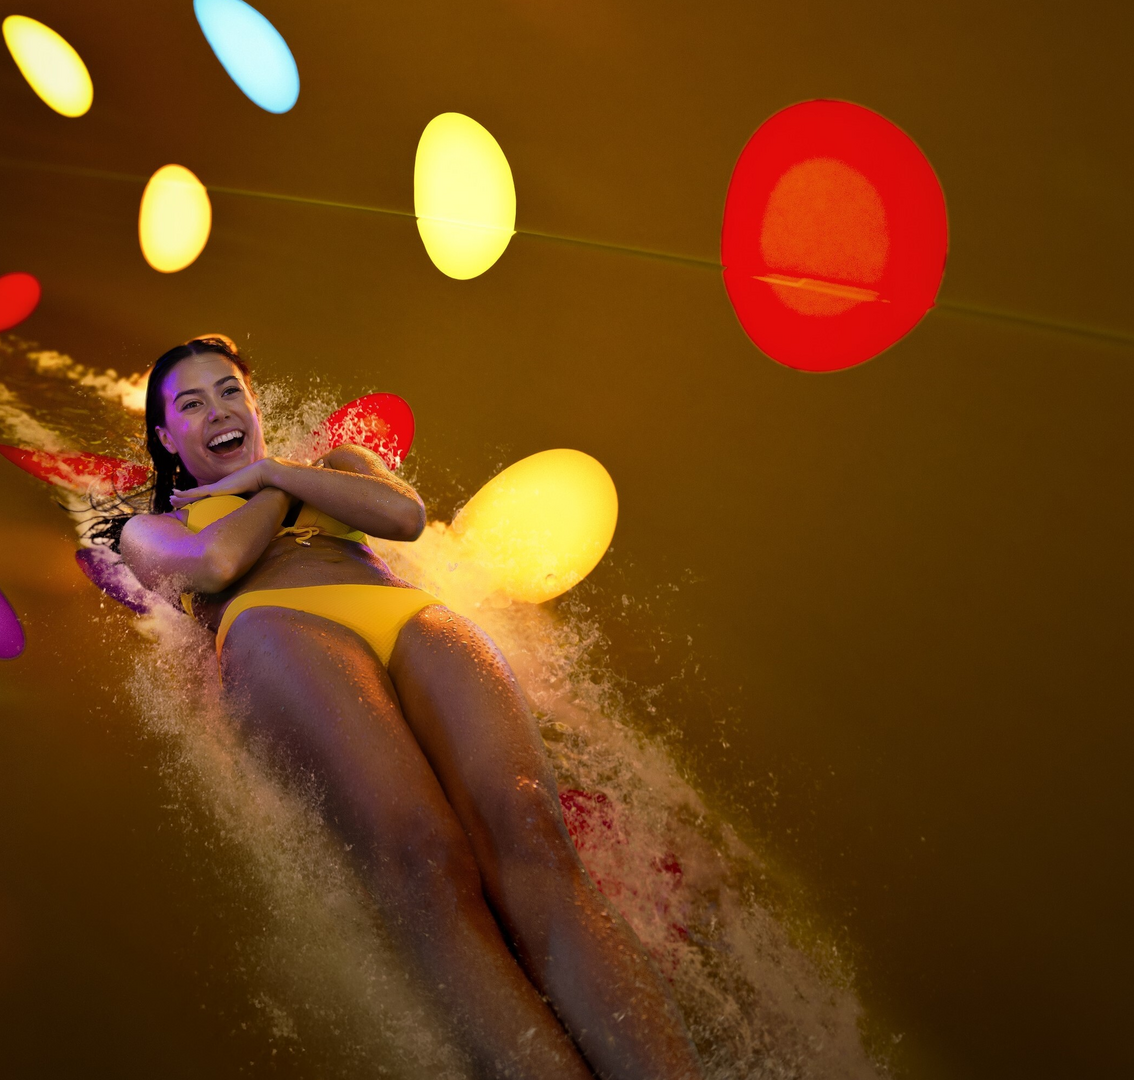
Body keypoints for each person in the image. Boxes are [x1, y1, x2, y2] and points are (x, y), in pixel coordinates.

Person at [115, 335, 701, 1080]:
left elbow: (402, 515)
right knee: (424, 856)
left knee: (529, 829)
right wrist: (271, 486)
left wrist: (281, 472)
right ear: (167, 437)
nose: (218, 411)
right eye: (191, 404)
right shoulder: (153, 525)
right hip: (276, 624)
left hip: (404, 617)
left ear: (255, 404)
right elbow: (218, 565)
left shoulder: (331, 467)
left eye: (230, 391)